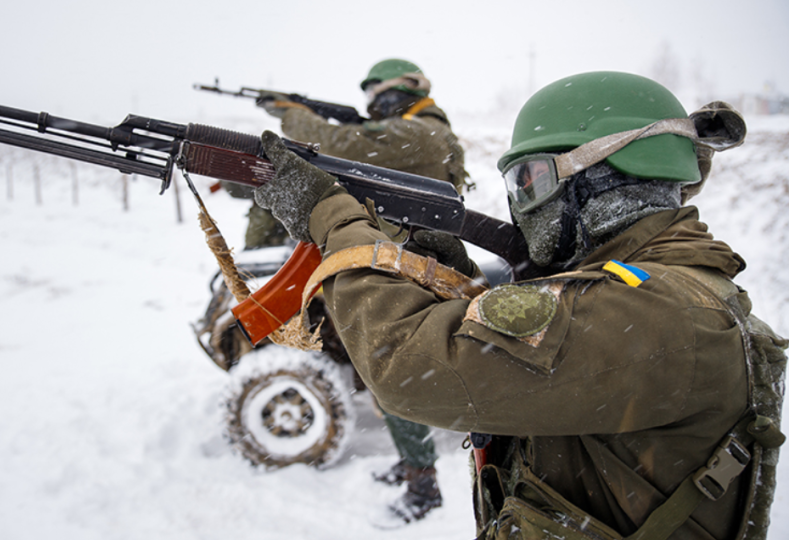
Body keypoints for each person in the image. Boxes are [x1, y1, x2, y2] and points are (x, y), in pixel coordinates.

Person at [251, 71, 787, 539]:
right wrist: (442, 272)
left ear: (604, 177)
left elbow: (408, 366)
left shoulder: (657, 312)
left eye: (530, 181)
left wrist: (335, 221)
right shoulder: (661, 292)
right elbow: (523, 361)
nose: (520, 205)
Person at [251, 58, 471, 525]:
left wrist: (292, 113)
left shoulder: (425, 131)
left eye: (383, 92)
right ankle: (412, 462)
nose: (374, 102)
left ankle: (424, 487)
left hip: (416, 263)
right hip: (400, 256)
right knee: (380, 366)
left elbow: (339, 144)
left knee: (396, 367)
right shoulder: (408, 132)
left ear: (415, 88)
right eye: (369, 96)